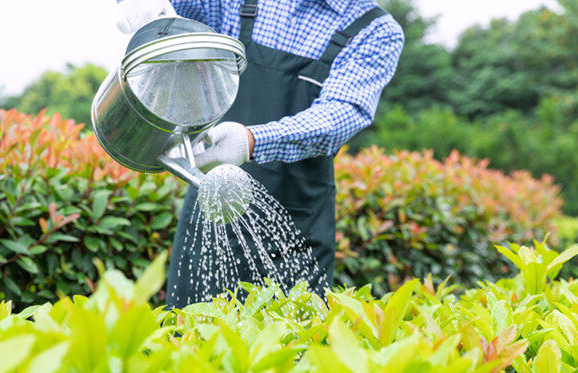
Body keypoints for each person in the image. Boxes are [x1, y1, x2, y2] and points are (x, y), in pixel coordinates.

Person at [115, 0, 404, 308]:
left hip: (295, 233)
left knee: (289, 348)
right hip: (211, 218)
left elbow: (341, 115)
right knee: (188, 343)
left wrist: (251, 140)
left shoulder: (374, 29)